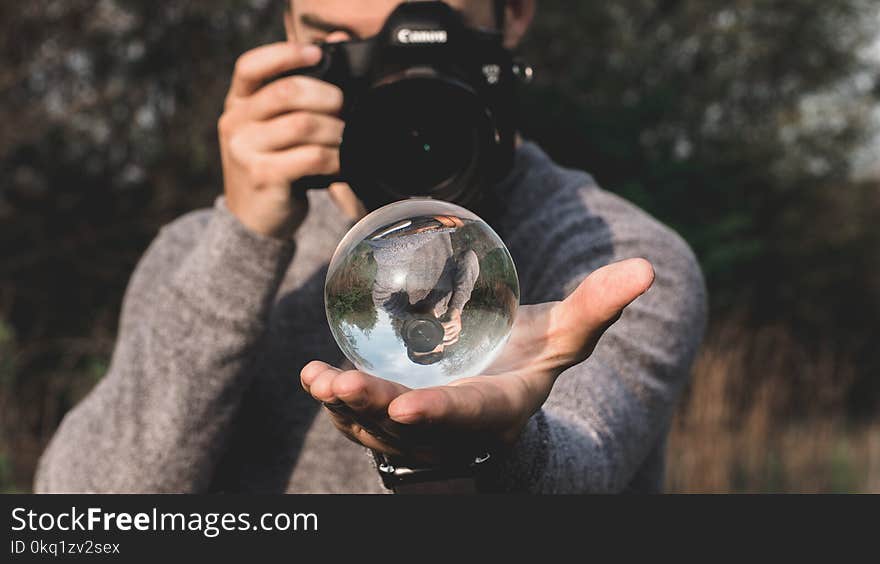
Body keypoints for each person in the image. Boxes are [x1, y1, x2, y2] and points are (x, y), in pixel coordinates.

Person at [35, 0, 708, 493]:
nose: (392, 89)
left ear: (515, 14)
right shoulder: (195, 254)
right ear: (291, 35)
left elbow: (583, 468)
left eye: (427, 47)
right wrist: (242, 239)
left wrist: (500, 449)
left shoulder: (612, 255)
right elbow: (78, 517)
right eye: (339, 43)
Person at [367, 214, 479, 365]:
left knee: (388, 254)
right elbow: (470, 258)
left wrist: (396, 245)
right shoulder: (450, 301)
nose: (424, 333)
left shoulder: (392, 304)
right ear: (443, 336)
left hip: (397, 218)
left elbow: (389, 264)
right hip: (440, 213)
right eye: (432, 338)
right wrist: (457, 308)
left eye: (419, 339)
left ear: (406, 335)